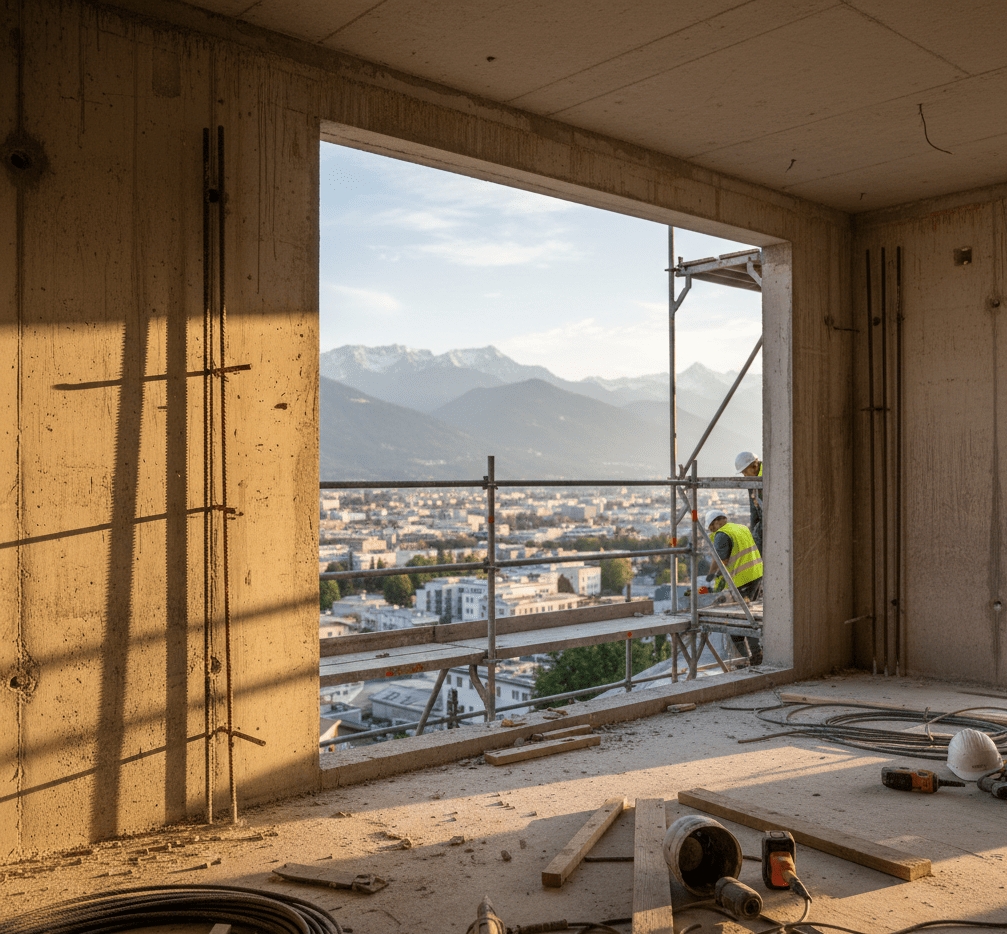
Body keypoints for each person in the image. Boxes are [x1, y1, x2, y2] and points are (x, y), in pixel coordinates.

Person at [704, 508, 763, 665]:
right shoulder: (741, 528)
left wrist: (714, 581)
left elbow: (720, 562)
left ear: (715, 523)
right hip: (756, 575)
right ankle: (755, 655)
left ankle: (747, 659)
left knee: (739, 621)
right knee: (749, 615)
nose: (710, 531)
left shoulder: (722, 534)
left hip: (741, 580)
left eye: (710, 528)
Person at [735, 451, 763, 552]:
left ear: (755, 467)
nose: (745, 477)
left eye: (745, 472)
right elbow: (753, 510)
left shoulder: (769, 473)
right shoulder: (752, 479)